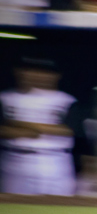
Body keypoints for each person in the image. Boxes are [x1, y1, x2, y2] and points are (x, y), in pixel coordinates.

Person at [0, 57, 78, 196]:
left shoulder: (67, 100)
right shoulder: (5, 97)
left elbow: (68, 130)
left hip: (55, 160)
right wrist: (43, 130)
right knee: (14, 207)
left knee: (60, 207)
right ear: (18, 72)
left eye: (43, 72)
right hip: (15, 158)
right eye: (31, 70)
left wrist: (16, 123)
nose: (36, 75)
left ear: (56, 76)